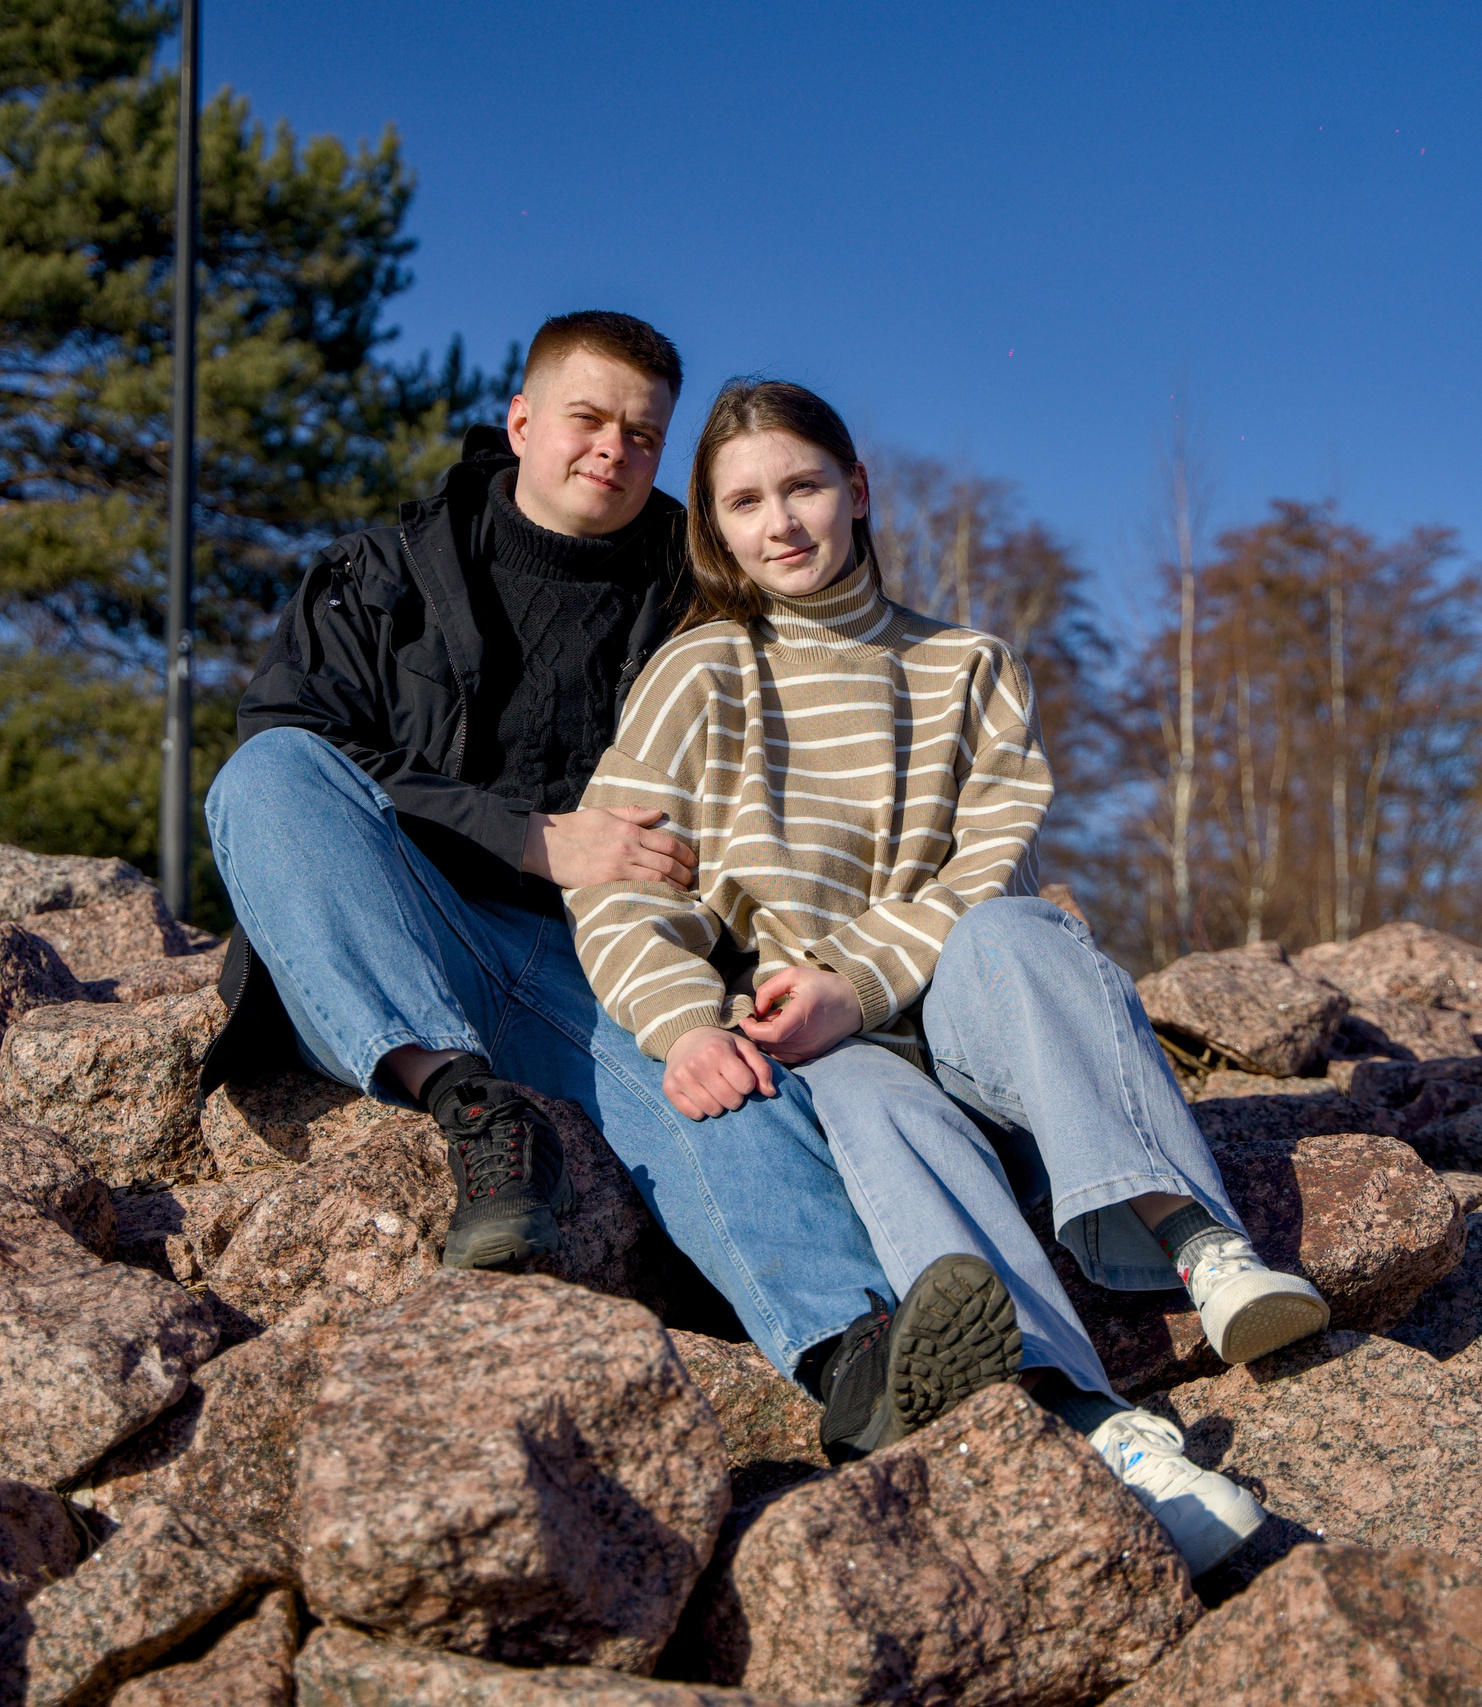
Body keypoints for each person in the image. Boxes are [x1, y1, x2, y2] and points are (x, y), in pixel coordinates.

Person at [565, 378, 1333, 1573]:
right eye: (745, 503)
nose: (781, 523)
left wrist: (858, 982)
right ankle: (1098, 1429)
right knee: (870, 1099)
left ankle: (1200, 1244)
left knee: (1020, 930)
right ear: (713, 530)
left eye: (804, 485)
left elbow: (994, 864)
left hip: (991, 1028)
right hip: (839, 1050)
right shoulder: (701, 674)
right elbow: (620, 886)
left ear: (857, 489)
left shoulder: (965, 665)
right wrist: (679, 1027)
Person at [203, 314, 945, 1437]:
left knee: (717, 1081)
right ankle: (470, 1107)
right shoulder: (385, 571)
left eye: (643, 435)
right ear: (522, 422)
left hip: (598, 961)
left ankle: (857, 1359)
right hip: (402, 922)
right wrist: (530, 837)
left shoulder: (702, 595)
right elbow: (294, 735)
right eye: (588, 419)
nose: (612, 449)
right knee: (266, 776)